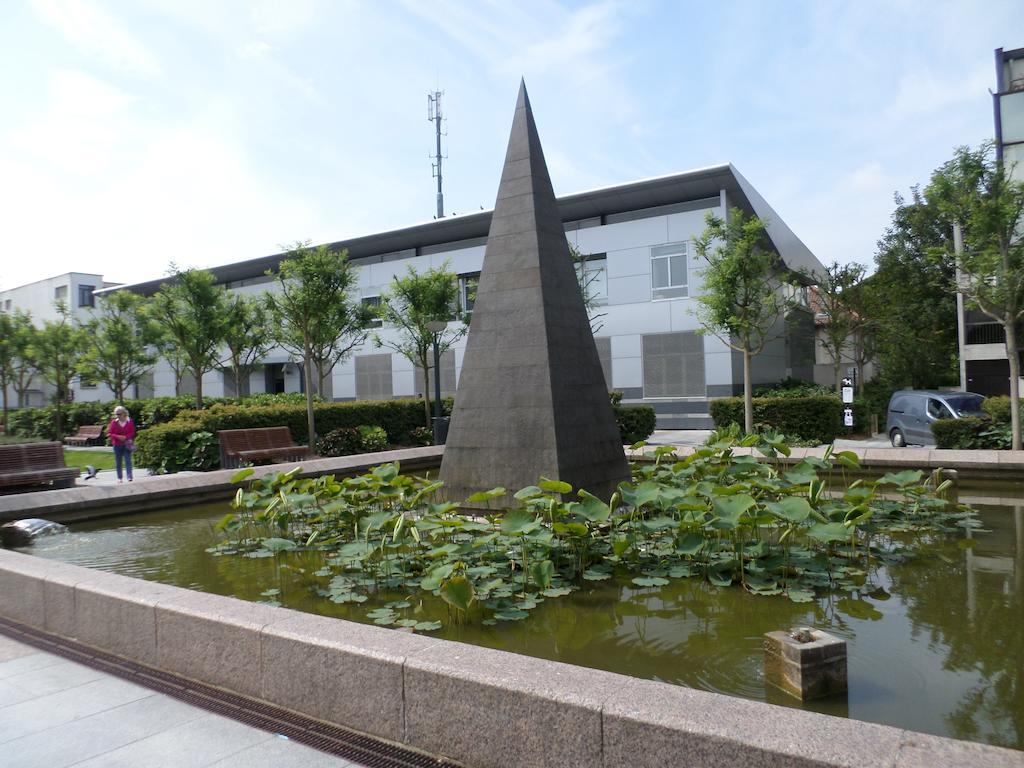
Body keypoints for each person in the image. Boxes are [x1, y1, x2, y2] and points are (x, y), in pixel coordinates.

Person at [108, 405, 136, 483]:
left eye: (119, 414)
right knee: (118, 461)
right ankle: (119, 477)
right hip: (117, 444)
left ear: (124, 413)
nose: (118, 416)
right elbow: (110, 433)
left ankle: (129, 476)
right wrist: (118, 437)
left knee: (128, 460)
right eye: (117, 414)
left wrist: (125, 437)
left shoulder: (129, 422)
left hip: (127, 444)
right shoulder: (114, 422)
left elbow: (132, 432)